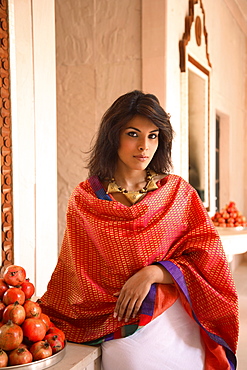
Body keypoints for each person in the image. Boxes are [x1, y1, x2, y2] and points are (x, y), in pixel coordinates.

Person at [40, 90, 239, 369]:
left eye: (153, 135)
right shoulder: (85, 199)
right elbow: (75, 271)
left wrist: (153, 272)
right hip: (115, 322)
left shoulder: (177, 193)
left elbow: (208, 258)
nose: (144, 146)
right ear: (113, 136)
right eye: (133, 134)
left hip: (174, 317)